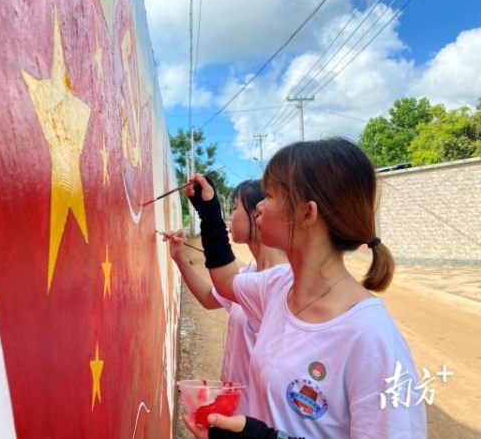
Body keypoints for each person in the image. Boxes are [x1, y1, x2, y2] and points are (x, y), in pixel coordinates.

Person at [183, 137, 426, 439]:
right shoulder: (277, 286)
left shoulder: (371, 337)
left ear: (307, 214)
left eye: (269, 195)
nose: (258, 206)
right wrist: (208, 212)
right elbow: (225, 281)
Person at [165, 180, 289, 415]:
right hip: (235, 407)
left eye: (234, 208)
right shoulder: (250, 274)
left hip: (258, 417)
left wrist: (209, 211)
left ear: (258, 213)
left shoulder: (280, 281)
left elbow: (224, 280)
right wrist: (179, 257)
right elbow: (209, 298)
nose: (230, 218)